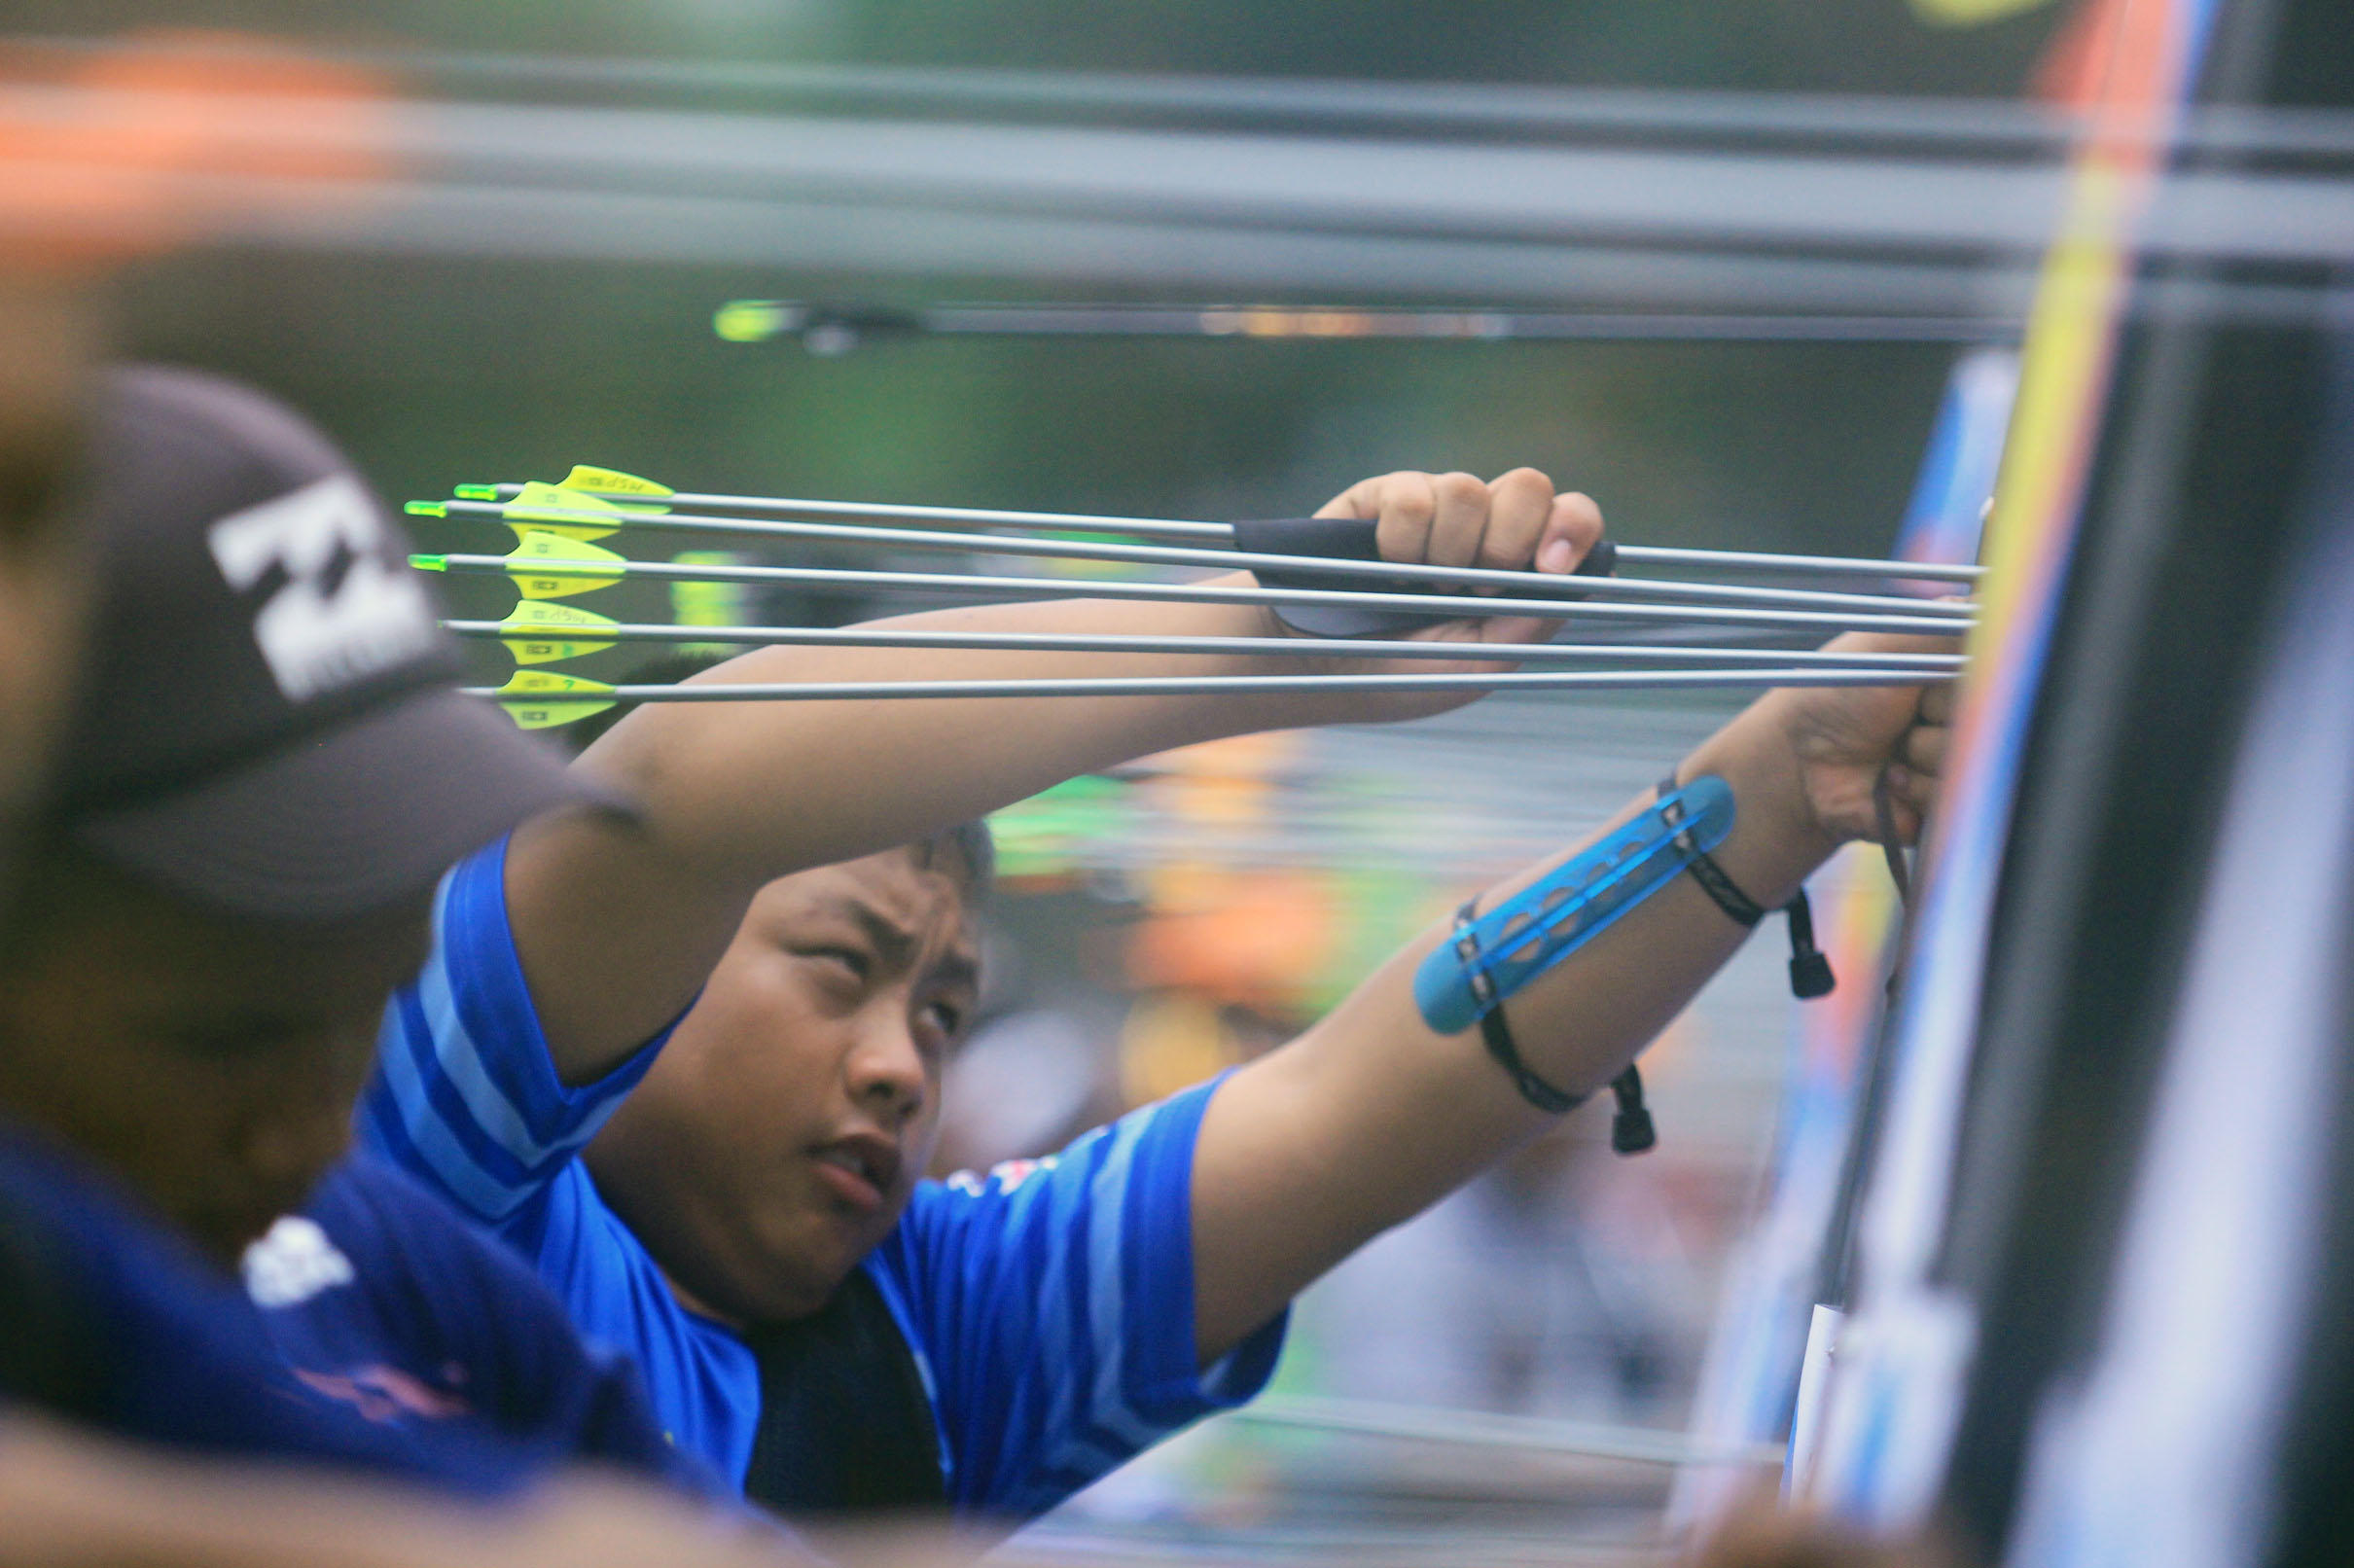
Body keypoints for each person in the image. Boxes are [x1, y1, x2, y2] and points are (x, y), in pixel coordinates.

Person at [362, 474, 1952, 1520]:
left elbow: (1367, 1098)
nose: (902, 1069)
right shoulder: (440, 1205)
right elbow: (675, 798)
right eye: (843, 967)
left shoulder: (935, 1333)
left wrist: (1784, 777)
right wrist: (1278, 633)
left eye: (941, 1012)